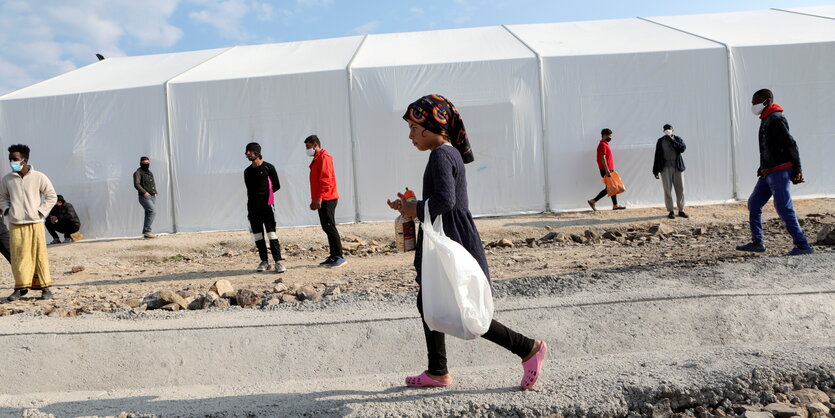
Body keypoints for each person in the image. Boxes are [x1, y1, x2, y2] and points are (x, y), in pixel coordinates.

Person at [388, 94, 546, 390]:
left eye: (412, 128)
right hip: (448, 234)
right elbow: (442, 199)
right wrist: (410, 206)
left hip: (450, 238)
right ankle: (437, 370)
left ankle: (528, 348)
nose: (410, 136)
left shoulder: (440, 155)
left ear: (428, 126)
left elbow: (446, 200)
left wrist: (416, 209)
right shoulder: (448, 154)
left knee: (464, 309)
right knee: (429, 300)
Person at [736, 89, 813, 256]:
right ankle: (758, 243)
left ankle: (802, 246)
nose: (753, 105)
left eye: (755, 102)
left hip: (779, 171)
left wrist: (797, 168)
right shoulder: (766, 119)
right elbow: (769, 147)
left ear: (766, 101)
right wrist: (762, 166)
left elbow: (790, 143)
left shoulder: (776, 119)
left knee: (783, 207)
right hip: (768, 171)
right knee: (754, 203)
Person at [0, 144, 57, 301]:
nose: (12, 161)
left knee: (39, 255)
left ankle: (45, 288)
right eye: (10, 159)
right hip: (16, 224)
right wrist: (7, 211)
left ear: (24, 160)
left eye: (15, 159)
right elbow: (2, 197)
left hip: (35, 223)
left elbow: (52, 196)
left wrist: (40, 212)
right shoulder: (7, 179)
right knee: (18, 257)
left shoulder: (39, 177)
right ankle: (20, 288)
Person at [244, 142, 286, 273]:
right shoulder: (247, 172)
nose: (247, 154)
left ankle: (278, 262)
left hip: (267, 207)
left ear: (256, 152)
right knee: (257, 236)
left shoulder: (268, 168)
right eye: (246, 151)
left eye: (249, 151)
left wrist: (266, 196)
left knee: (271, 234)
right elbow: (249, 190)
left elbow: (276, 185)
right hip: (253, 208)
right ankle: (264, 261)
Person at [304, 135, 346, 268]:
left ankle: (339, 256)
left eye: (308, 147)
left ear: (315, 144)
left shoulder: (324, 157)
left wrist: (319, 197)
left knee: (330, 226)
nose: (307, 150)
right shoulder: (317, 159)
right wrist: (314, 199)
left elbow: (326, 179)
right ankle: (333, 256)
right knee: (326, 227)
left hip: (328, 198)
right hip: (322, 198)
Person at [652, 124, 688, 219]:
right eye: (666, 129)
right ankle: (671, 210)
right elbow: (657, 156)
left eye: (669, 129)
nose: (667, 130)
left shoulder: (677, 139)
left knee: (681, 189)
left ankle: (681, 210)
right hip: (665, 168)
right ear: (663, 130)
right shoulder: (660, 141)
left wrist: (672, 140)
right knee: (667, 190)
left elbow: (682, 148)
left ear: (673, 130)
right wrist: (655, 170)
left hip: (677, 167)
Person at [587, 128, 626, 211]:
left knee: (612, 187)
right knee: (610, 187)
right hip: (606, 170)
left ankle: (615, 205)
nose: (610, 137)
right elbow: (602, 157)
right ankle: (593, 201)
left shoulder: (605, 144)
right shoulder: (602, 145)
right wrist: (607, 170)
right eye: (609, 135)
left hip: (608, 169)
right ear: (604, 135)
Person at [133, 156, 157, 239]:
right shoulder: (137, 172)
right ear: (140, 163)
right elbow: (136, 184)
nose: (146, 164)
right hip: (144, 196)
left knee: (148, 213)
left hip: (152, 196)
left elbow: (153, 183)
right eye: (144, 163)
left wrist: (155, 192)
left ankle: (147, 233)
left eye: (148, 163)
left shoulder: (150, 173)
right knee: (152, 211)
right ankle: (147, 231)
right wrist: (144, 192)